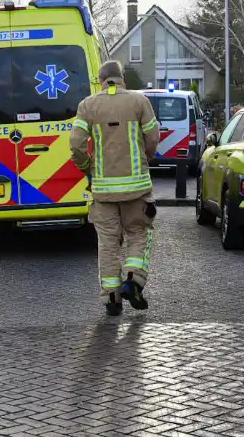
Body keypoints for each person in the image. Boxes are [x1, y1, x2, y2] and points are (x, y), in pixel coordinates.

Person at [70, 60, 159, 316]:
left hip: (103, 191)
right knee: (139, 234)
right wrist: (145, 159)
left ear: (100, 81)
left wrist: (88, 167)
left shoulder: (88, 105)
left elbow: (75, 144)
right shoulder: (139, 101)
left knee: (107, 243)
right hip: (137, 189)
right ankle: (133, 281)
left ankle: (112, 298)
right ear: (122, 80)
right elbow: (152, 138)